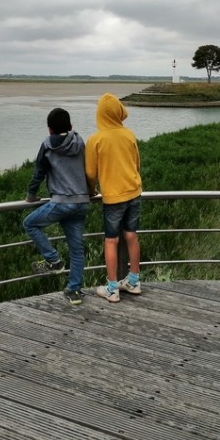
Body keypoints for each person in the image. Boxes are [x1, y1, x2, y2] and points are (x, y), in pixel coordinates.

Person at [23, 108, 90, 305]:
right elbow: (87, 168)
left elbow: (39, 172)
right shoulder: (79, 141)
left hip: (62, 201)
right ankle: (74, 291)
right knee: (77, 250)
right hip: (81, 202)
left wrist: (31, 195)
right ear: (70, 127)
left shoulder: (47, 144)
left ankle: (54, 260)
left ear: (49, 129)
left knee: (30, 224)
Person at [85, 92, 142, 303]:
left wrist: (92, 191)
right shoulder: (129, 134)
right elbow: (137, 164)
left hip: (113, 198)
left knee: (111, 240)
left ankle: (112, 288)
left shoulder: (95, 140)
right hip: (134, 192)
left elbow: (90, 173)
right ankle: (134, 281)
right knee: (131, 236)